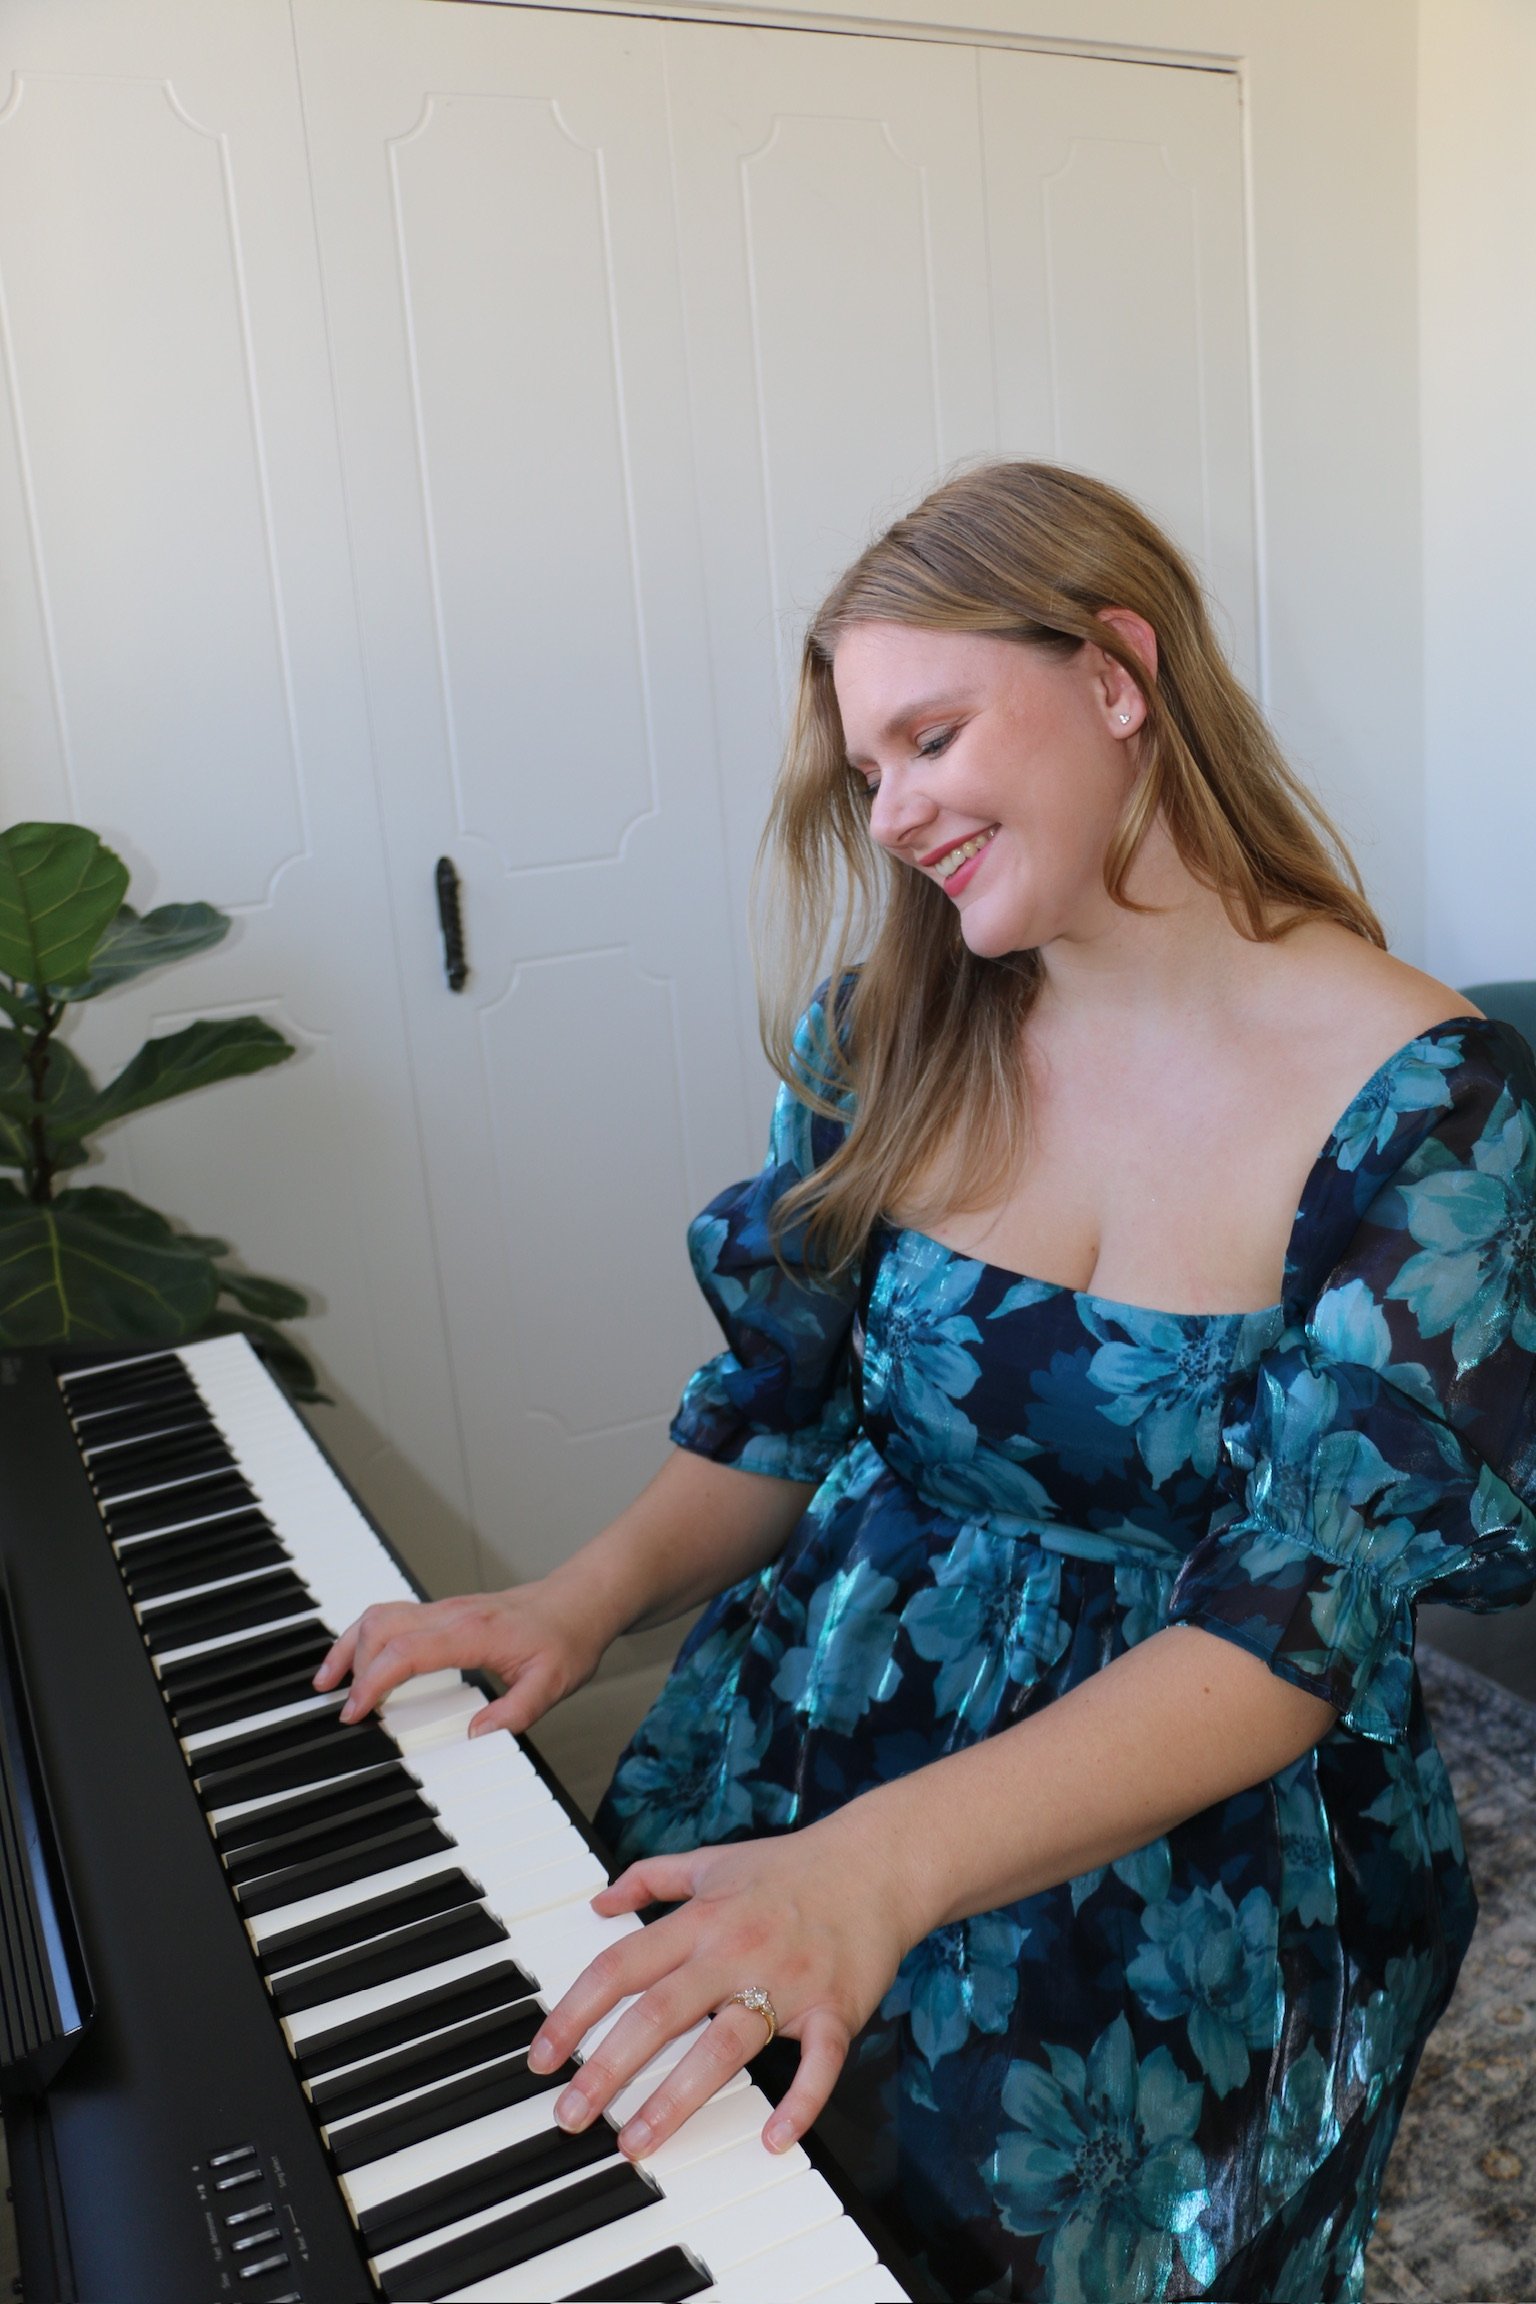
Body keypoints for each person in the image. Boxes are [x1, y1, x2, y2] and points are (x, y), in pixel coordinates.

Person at [317, 463, 1536, 2302]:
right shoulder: (883, 1033)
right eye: (864, 775)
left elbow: (1294, 1631)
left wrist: (875, 1876)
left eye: (930, 737)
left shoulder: (1429, 1101)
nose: (893, 815)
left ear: (1119, 672)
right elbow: (791, 1414)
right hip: (816, 1727)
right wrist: (572, 1601)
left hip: (1179, 1858)